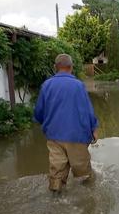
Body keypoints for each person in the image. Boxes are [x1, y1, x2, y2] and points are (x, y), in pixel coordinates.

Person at [34, 54, 98, 192]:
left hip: (54, 137)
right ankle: (87, 199)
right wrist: (94, 128)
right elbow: (88, 111)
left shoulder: (46, 85)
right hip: (77, 136)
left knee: (57, 173)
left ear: (55, 68)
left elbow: (38, 112)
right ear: (71, 67)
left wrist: (47, 126)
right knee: (83, 174)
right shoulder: (78, 86)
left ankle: (56, 196)